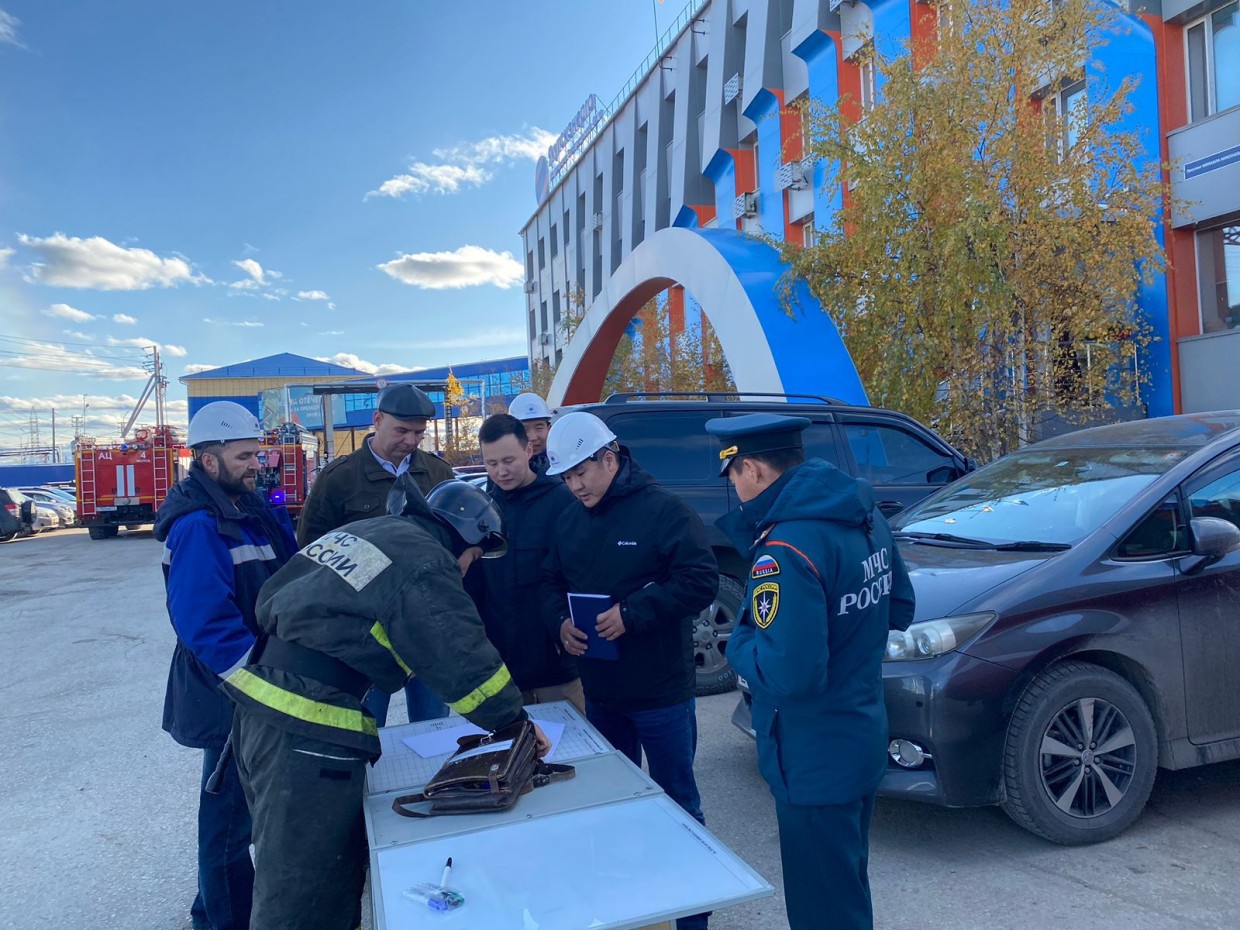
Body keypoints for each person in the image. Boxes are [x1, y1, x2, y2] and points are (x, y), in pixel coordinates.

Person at [223, 476, 548, 930]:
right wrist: (517, 723)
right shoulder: (426, 561)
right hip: (307, 730)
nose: (467, 570)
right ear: (464, 538)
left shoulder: (369, 532)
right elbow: (461, 659)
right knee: (305, 892)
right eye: (473, 558)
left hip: (261, 706)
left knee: (283, 862)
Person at [705, 414, 915, 930]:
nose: (734, 488)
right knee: (845, 884)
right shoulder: (862, 515)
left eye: (732, 475)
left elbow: (791, 674)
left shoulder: (784, 548)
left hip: (813, 753)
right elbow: (899, 608)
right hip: (860, 731)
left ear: (751, 469)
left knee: (822, 904)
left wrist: (742, 642)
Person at [541, 411, 717, 930]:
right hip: (602, 692)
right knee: (613, 805)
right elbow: (549, 583)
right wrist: (558, 625)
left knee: (678, 804)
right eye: (566, 477)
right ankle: (631, 912)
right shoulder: (569, 519)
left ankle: (692, 919)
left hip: (660, 692)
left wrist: (634, 615)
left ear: (610, 459)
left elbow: (701, 580)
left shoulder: (664, 512)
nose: (574, 486)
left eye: (581, 473)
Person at [155, 401, 298, 930]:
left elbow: (286, 570)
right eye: (243, 456)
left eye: (256, 454)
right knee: (229, 822)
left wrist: (275, 507)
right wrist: (257, 687)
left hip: (249, 686)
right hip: (232, 694)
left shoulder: (246, 508)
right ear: (208, 460)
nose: (255, 464)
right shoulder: (199, 525)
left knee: (236, 817)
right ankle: (225, 922)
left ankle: (207, 913)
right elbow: (204, 624)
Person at [296, 381, 455, 726]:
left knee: (433, 730)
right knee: (365, 730)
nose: (411, 441)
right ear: (377, 420)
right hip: (365, 634)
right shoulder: (338, 479)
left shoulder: (438, 474)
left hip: (427, 628)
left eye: (418, 432)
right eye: (402, 430)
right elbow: (311, 553)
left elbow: (456, 544)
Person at [465, 413, 582, 710]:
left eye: (509, 461)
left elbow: (578, 577)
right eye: (491, 464)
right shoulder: (479, 510)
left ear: (529, 450)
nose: (501, 472)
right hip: (502, 673)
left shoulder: (562, 503)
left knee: (573, 753)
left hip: (557, 672)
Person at [508, 391, 553, 475]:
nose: (533, 437)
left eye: (539, 428)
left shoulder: (563, 464)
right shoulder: (505, 471)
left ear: (549, 428)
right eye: (524, 430)